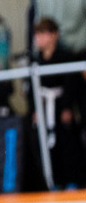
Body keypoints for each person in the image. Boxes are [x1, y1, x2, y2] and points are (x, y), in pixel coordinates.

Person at [30, 19, 86, 189]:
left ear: (54, 35)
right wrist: (35, 109)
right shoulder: (35, 59)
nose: (39, 38)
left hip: (61, 104)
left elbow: (71, 84)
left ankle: (73, 180)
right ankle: (53, 181)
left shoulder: (65, 56)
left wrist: (68, 107)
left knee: (68, 144)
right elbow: (32, 88)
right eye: (37, 34)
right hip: (44, 105)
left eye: (43, 34)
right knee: (47, 145)